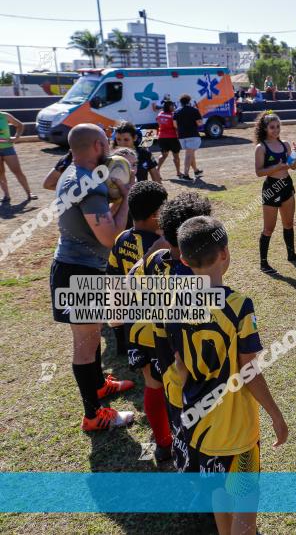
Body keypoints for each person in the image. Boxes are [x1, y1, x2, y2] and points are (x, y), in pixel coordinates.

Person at [171, 215, 289, 535]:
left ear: (184, 259)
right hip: (238, 434)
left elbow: (179, 367)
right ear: (224, 253)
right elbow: (249, 371)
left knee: (221, 497)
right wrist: (276, 416)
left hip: (200, 429)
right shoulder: (238, 306)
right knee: (246, 520)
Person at [49, 123, 136, 431]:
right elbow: (110, 237)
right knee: (85, 345)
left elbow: (93, 222)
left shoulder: (71, 174)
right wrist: (125, 197)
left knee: (92, 332)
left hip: (77, 267)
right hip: (78, 272)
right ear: (99, 145)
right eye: (107, 143)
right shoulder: (89, 182)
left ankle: (99, 385)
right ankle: (93, 415)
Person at [132, 191, 212, 472]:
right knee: (193, 416)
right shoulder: (197, 276)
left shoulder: (153, 260)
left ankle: (169, 450)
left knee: (164, 398)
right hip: (186, 360)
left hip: (157, 348)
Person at [106, 180, 170, 460]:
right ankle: (178, 436)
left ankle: (162, 441)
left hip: (135, 328)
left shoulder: (121, 240)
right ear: (157, 214)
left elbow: (112, 282)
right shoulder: (161, 249)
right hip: (161, 328)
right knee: (173, 384)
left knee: (151, 383)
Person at [253, 111, 296, 273]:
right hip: (271, 188)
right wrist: (277, 167)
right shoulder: (261, 147)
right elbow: (259, 172)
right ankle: (264, 263)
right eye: (272, 127)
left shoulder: (285, 145)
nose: (276, 130)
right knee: (269, 228)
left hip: (287, 186)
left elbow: (293, 166)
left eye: (278, 127)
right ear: (265, 128)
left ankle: (291, 255)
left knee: (288, 224)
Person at [0, 111, 37, 202]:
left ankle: (29, 193)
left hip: (8, 148)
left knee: (17, 171)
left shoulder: (5, 116)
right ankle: (6, 195)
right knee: (0, 173)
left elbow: (20, 125)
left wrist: (16, 137)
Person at [173, 94, 204, 181]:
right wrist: (201, 121)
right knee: (189, 155)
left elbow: (175, 125)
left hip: (181, 136)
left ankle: (196, 171)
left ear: (181, 102)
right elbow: (199, 123)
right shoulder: (194, 110)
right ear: (189, 101)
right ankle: (186, 175)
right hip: (192, 134)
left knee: (190, 154)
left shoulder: (177, 111)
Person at [155, 100, 182, 178]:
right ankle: (178, 172)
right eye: (173, 106)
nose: (174, 107)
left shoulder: (160, 114)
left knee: (163, 155)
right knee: (176, 156)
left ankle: (157, 170)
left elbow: (158, 122)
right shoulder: (173, 115)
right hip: (172, 137)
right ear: (169, 107)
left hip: (161, 137)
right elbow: (176, 126)